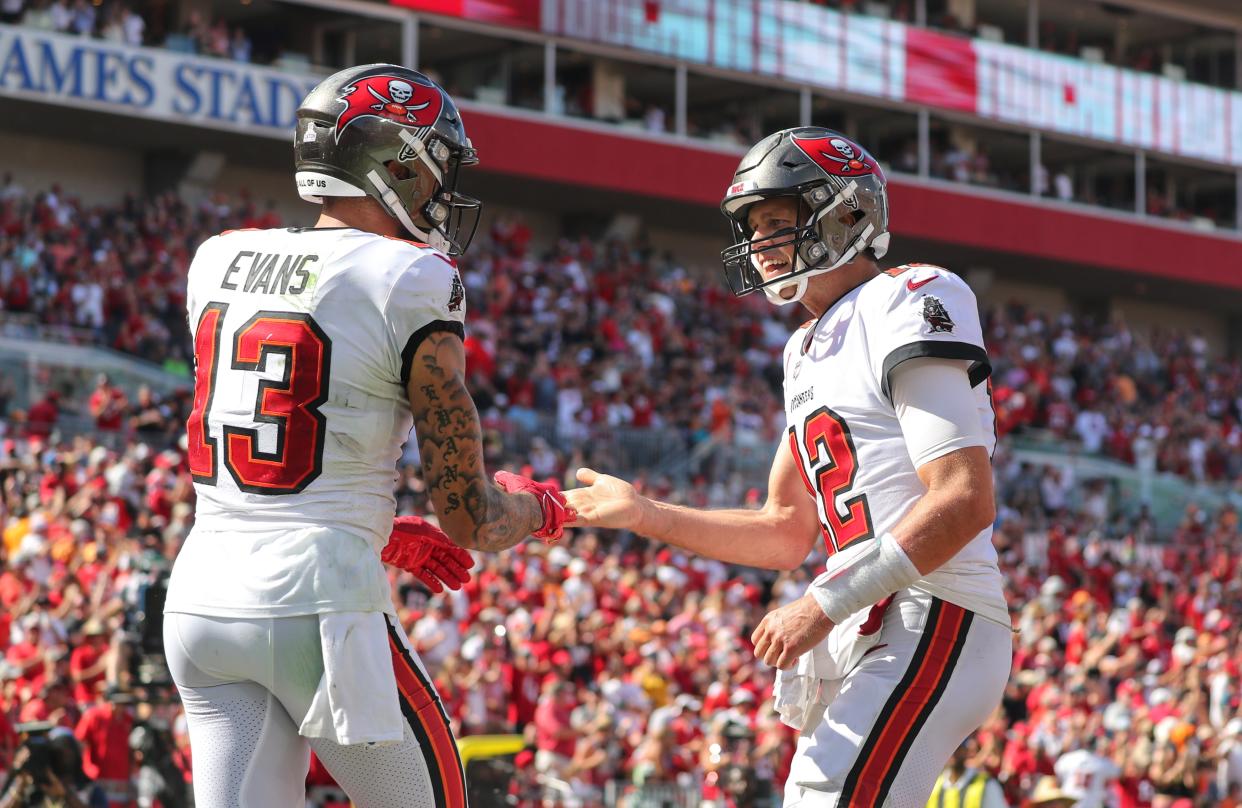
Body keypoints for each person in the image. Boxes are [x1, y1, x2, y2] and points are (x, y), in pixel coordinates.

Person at [162, 63, 571, 808]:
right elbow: (471, 517)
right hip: (318, 600)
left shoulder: (215, 257)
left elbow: (283, 448)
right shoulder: (409, 273)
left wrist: (376, 524)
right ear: (389, 162)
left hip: (200, 597)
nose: (441, 190)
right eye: (433, 167)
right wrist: (542, 507)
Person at [566, 127, 1011, 806]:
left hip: (937, 604)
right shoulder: (804, 348)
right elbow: (783, 529)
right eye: (754, 225)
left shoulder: (910, 294)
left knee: (827, 792)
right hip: (872, 612)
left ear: (850, 214)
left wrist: (823, 602)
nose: (762, 240)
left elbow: (962, 499)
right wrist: (646, 516)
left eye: (779, 220)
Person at [927, 738, 1008, 807]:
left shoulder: (987, 785)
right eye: (948, 748)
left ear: (967, 751)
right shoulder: (932, 785)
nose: (952, 752)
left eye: (958, 747)